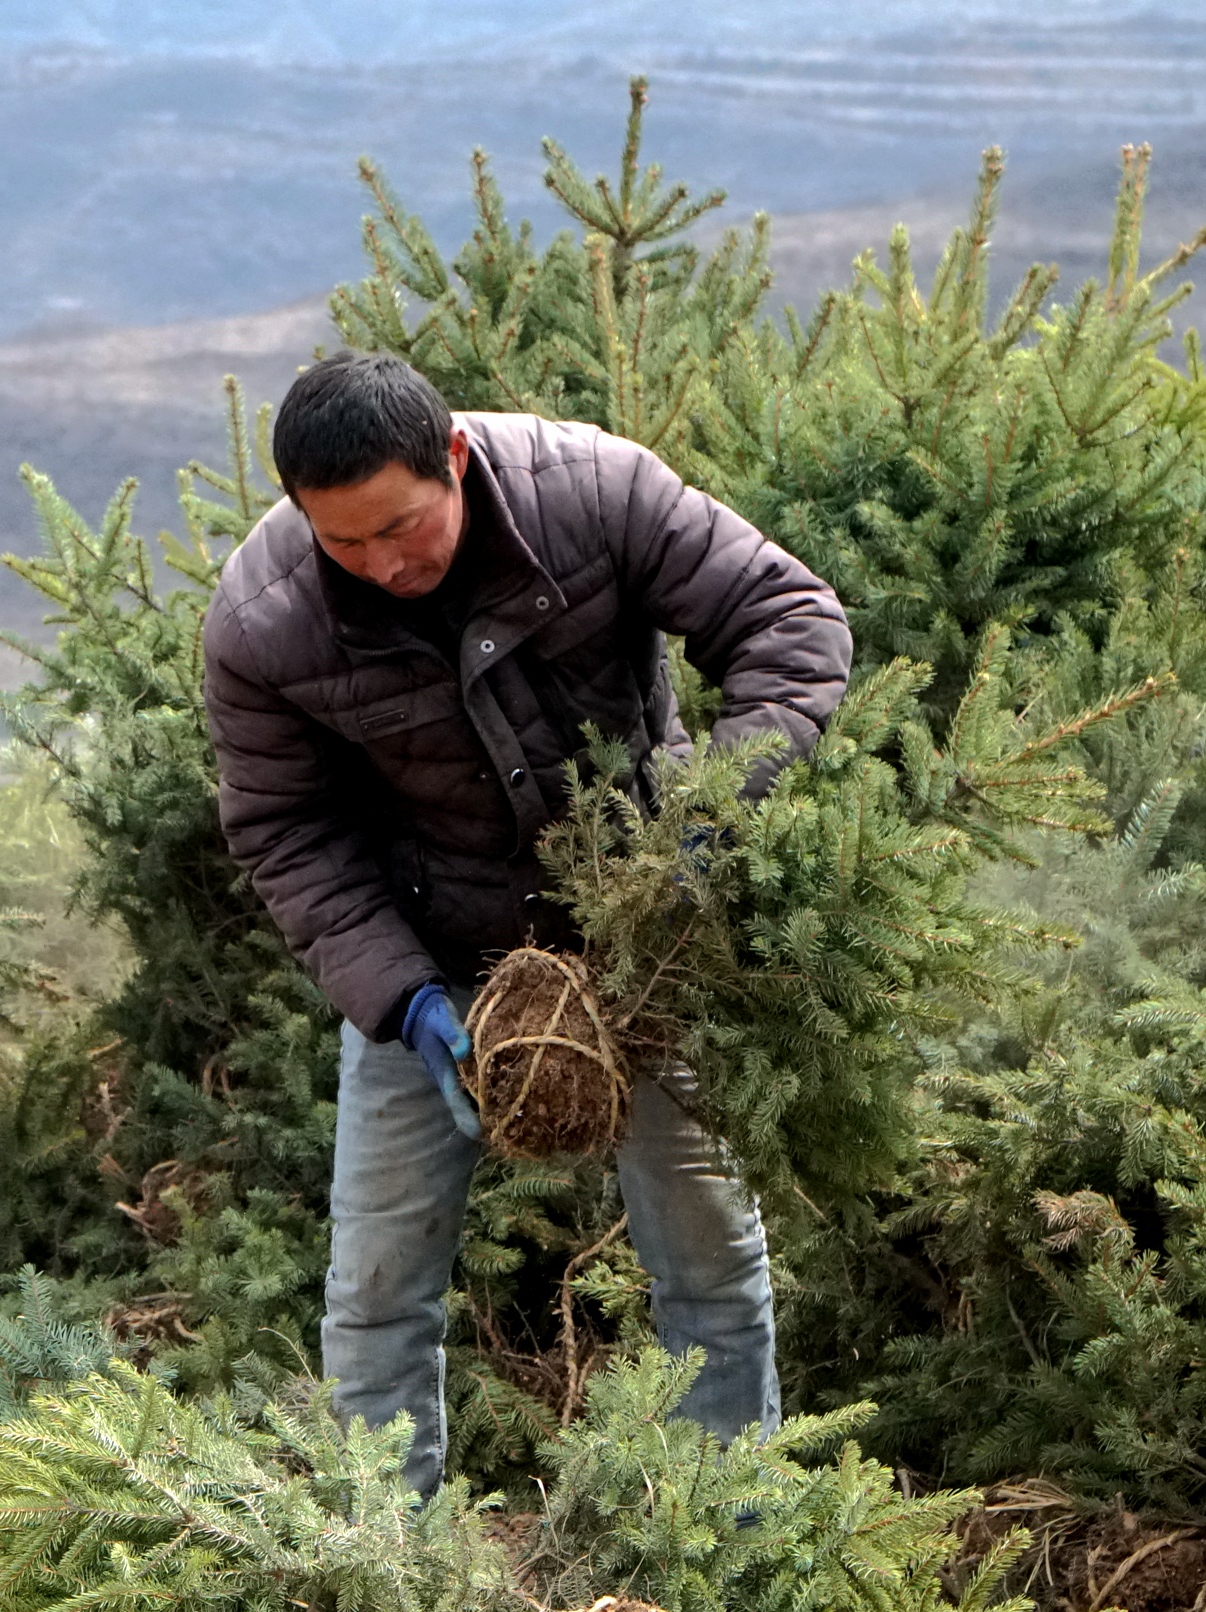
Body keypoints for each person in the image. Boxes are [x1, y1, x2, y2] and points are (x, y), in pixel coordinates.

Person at [201, 352, 850, 1496]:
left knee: (707, 1264)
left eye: (401, 526)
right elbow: (286, 832)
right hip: (431, 955)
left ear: (454, 457)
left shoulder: (595, 490)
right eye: (344, 541)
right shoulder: (264, 619)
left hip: (650, 943)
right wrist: (404, 1000)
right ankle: (386, 1558)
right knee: (376, 1289)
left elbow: (790, 619)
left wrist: (704, 820)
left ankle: (731, 1535)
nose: (383, 563)